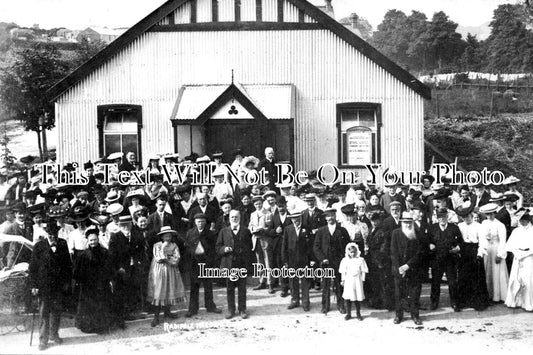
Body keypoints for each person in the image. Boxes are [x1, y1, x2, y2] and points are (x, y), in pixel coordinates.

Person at [29, 220, 72, 351]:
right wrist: (34, 285)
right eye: (50, 234)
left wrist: (66, 282)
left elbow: (68, 265)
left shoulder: (63, 244)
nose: (52, 236)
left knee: (57, 311)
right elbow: (33, 268)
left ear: (58, 233)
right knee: (44, 312)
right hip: (44, 285)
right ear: (46, 233)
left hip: (58, 285)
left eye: (54, 233)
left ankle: (54, 334)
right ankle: (43, 340)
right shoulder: (39, 246)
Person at [73, 227, 113, 333]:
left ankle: (101, 326)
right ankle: (89, 326)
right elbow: (78, 271)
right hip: (88, 285)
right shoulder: (83, 254)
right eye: (91, 240)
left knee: (101, 304)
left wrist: (106, 278)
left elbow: (109, 267)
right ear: (88, 241)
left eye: (95, 240)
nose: (93, 242)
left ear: (98, 240)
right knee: (88, 305)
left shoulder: (104, 252)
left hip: (101, 283)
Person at [216, 210, 254, 319]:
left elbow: (250, 248)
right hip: (229, 264)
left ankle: (242, 309)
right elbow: (217, 247)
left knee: (242, 288)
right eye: (232, 217)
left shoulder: (246, 231)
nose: (234, 219)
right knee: (230, 288)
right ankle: (231, 310)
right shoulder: (224, 231)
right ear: (229, 219)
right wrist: (224, 249)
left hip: (241, 264)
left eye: (236, 217)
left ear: (240, 218)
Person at [147, 226, 187, 326]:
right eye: (165, 236)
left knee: (170, 289)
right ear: (162, 237)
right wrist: (164, 250)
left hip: (171, 270)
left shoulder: (174, 245)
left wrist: (168, 259)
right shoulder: (157, 245)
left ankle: (167, 312)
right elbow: (158, 258)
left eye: (169, 236)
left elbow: (176, 259)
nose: (167, 238)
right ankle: (156, 316)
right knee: (159, 290)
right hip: (159, 270)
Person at [390, 212, 425, 325]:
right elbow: (393, 252)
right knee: (399, 294)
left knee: (414, 294)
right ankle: (398, 315)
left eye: (409, 222)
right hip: (399, 269)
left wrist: (408, 266)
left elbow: (420, 253)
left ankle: (415, 315)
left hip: (413, 268)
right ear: (401, 223)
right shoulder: (396, 233)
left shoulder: (417, 233)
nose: (407, 224)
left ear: (412, 222)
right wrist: (400, 268)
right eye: (405, 222)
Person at [185, 213, 222, 317]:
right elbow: (187, 248)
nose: (200, 223)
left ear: (205, 222)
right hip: (194, 262)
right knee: (194, 286)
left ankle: (210, 306)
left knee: (208, 285)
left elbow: (213, 249)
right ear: (195, 222)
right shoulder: (190, 233)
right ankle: (192, 309)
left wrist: (211, 262)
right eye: (198, 221)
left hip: (206, 262)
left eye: (202, 221)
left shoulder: (210, 234)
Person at [314, 207, 350, 314]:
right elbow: (316, 247)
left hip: (339, 261)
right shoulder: (321, 231)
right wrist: (322, 258)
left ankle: (341, 305)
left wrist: (345, 259)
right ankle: (325, 306)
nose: (330, 218)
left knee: (339, 284)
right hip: (326, 262)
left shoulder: (342, 230)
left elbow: (348, 245)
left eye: (332, 215)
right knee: (325, 284)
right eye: (328, 216)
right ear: (325, 218)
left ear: (335, 216)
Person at [428, 207, 463, 311]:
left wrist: (458, 247)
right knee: (435, 282)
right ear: (437, 218)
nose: (441, 219)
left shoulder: (454, 228)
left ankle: (455, 303)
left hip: (450, 259)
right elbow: (427, 241)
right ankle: (434, 302)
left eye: (443, 217)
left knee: (452, 282)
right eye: (439, 217)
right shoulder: (432, 228)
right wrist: (429, 245)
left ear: (447, 217)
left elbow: (460, 241)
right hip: (437, 259)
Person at [456, 210, 490, 311]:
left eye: (468, 216)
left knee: (476, 277)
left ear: (472, 216)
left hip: (475, 250)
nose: (467, 218)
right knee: (463, 277)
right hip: (463, 251)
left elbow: (483, 241)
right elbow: (457, 239)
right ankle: (463, 302)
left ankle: (477, 302)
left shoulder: (479, 226)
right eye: (464, 217)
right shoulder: (460, 226)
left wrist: (479, 254)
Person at [282, 211, 315, 312]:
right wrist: (285, 261)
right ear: (291, 219)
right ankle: (295, 300)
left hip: (304, 259)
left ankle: (305, 302)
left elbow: (311, 245)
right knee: (293, 281)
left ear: (300, 218)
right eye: (293, 218)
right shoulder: (288, 229)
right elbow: (284, 246)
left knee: (305, 281)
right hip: (292, 260)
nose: (296, 220)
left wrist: (312, 259)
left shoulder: (307, 228)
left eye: (297, 218)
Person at [504, 208, 533, 311]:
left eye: (524, 219)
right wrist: (516, 253)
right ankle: (515, 301)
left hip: (529, 257)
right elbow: (510, 245)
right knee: (515, 279)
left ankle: (528, 304)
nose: (522, 222)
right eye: (521, 220)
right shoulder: (516, 231)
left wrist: (526, 254)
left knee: (528, 280)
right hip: (518, 256)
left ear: (529, 219)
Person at [479, 203, 509, 303]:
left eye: (491, 214)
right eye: (487, 214)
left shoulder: (500, 225)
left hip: (496, 248)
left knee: (497, 271)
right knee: (487, 271)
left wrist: (500, 254)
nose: (489, 216)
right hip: (487, 249)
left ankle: (497, 296)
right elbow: (481, 238)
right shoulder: (483, 223)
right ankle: (488, 294)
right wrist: (482, 249)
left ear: (495, 213)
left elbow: (503, 240)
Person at [248, 194, 275, 292]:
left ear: (262, 203)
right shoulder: (253, 214)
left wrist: (263, 229)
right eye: (256, 204)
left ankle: (270, 283)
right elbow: (250, 226)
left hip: (265, 239)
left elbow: (270, 227)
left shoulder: (268, 213)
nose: (258, 206)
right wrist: (252, 229)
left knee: (268, 261)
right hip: (256, 239)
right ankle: (262, 281)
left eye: (259, 204)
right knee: (259, 262)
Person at [339, 243, 368, 321]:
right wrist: (343, 280)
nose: (352, 254)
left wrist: (363, 280)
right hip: (349, 280)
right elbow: (343, 271)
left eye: (354, 252)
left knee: (357, 297)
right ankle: (348, 313)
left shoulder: (360, 260)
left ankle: (358, 313)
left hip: (357, 280)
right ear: (348, 252)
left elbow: (364, 271)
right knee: (348, 297)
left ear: (357, 251)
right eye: (351, 252)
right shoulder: (345, 260)